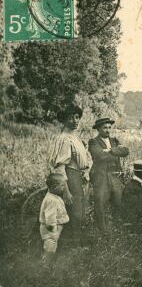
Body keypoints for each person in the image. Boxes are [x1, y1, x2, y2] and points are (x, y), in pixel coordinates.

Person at [47, 104, 89, 245]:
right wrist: (66, 190)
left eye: (77, 117)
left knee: (78, 209)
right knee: (74, 211)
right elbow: (60, 165)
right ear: (64, 119)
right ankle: (73, 244)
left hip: (76, 176)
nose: (75, 120)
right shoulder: (65, 138)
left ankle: (76, 242)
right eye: (71, 117)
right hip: (69, 177)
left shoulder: (73, 137)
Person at [88, 118, 129, 234]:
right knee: (100, 204)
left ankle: (117, 229)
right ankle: (102, 232)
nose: (107, 130)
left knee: (118, 202)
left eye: (109, 127)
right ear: (98, 129)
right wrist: (115, 152)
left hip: (115, 176)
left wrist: (109, 150)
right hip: (101, 178)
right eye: (105, 128)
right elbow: (99, 155)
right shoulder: (93, 142)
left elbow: (125, 151)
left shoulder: (114, 140)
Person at [39, 176, 70, 265]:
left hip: (54, 228)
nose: (64, 188)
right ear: (55, 187)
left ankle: (48, 263)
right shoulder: (51, 200)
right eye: (62, 186)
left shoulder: (55, 196)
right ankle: (45, 265)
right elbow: (50, 217)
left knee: (53, 245)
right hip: (50, 228)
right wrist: (53, 231)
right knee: (50, 246)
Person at [121, 160, 142, 227]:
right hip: (133, 226)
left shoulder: (133, 185)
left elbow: (137, 203)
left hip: (133, 223)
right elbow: (140, 209)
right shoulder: (134, 187)